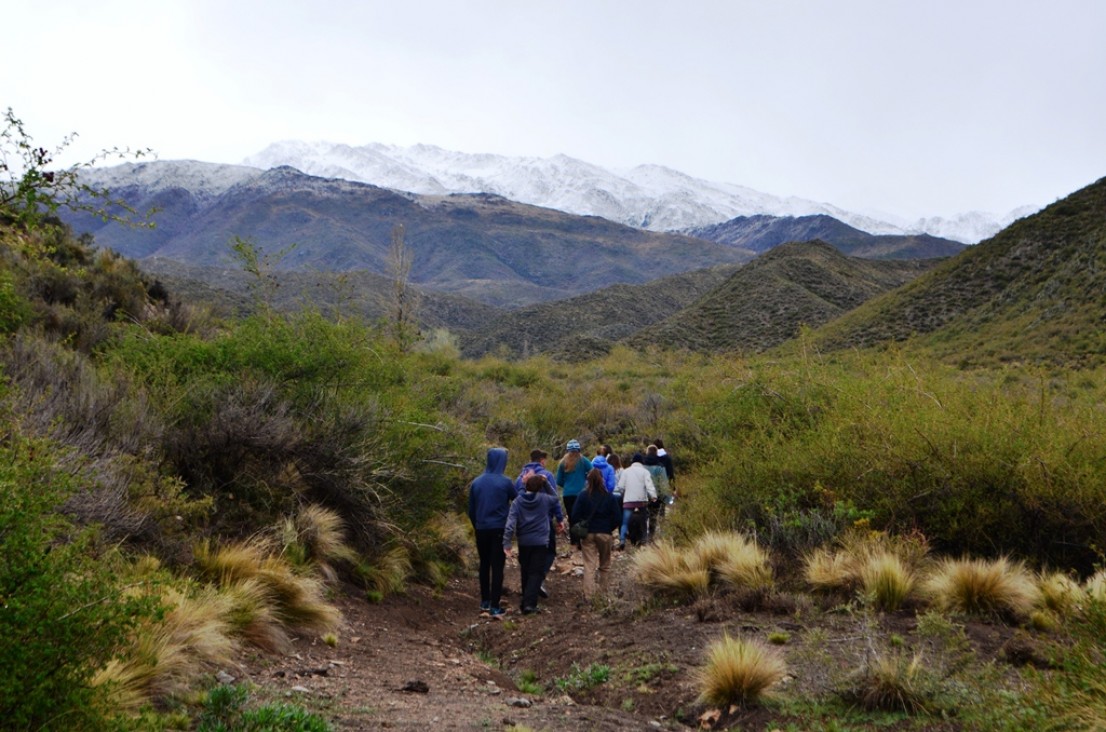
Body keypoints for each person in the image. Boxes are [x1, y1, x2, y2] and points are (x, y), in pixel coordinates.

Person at [503, 474, 565, 614]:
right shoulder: (544, 499)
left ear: (526, 486)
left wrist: (507, 543)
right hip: (540, 541)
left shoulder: (518, 501)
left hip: (524, 542)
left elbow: (510, 524)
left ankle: (525, 601)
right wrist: (547, 483)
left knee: (525, 571)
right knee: (535, 572)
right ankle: (529, 605)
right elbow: (556, 498)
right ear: (540, 487)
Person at [467, 447, 517, 618]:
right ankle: (495, 606)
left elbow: (471, 510)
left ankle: (485, 601)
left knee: (484, 564)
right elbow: (516, 500)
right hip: (499, 529)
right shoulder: (505, 482)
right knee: (497, 567)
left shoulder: (476, 482)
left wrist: (477, 524)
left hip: (481, 528)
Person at [571, 468, 621, 600]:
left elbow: (574, 515)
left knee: (589, 565)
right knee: (605, 565)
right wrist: (609, 528)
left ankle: (589, 596)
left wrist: (582, 525)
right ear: (602, 480)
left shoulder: (582, 495)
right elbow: (617, 517)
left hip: (588, 533)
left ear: (588, 480)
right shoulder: (609, 496)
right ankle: (603, 595)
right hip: (605, 533)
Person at [515, 448, 558, 597]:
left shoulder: (519, 478)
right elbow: (554, 498)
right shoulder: (547, 476)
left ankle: (529, 588)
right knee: (549, 551)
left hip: (524, 524)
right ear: (541, 460)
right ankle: (538, 580)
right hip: (544, 523)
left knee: (526, 556)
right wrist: (559, 518)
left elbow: (517, 498)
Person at [614, 453, 657, 549]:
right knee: (644, 521)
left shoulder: (626, 472)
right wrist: (653, 496)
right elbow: (649, 485)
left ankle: (622, 541)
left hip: (628, 501)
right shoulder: (645, 472)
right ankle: (644, 540)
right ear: (642, 462)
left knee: (625, 522)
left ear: (632, 462)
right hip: (642, 501)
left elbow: (620, 487)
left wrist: (624, 494)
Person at [555, 439, 592, 544]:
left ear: (567, 450)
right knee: (582, 517)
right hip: (581, 494)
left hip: (567, 495)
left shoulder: (562, 463)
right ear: (578, 450)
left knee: (572, 517)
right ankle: (583, 539)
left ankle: (574, 542)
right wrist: (585, 479)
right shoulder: (584, 461)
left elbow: (559, 481)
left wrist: (567, 486)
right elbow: (593, 473)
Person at [643, 444, 672, 539]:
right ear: (656, 453)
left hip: (642, 495)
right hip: (655, 496)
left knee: (643, 515)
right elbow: (663, 483)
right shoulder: (660, 467)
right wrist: (666, 498)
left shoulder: (642, 465)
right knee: (653, 516)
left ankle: (642, 536)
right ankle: (650, 536)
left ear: (647, 452)